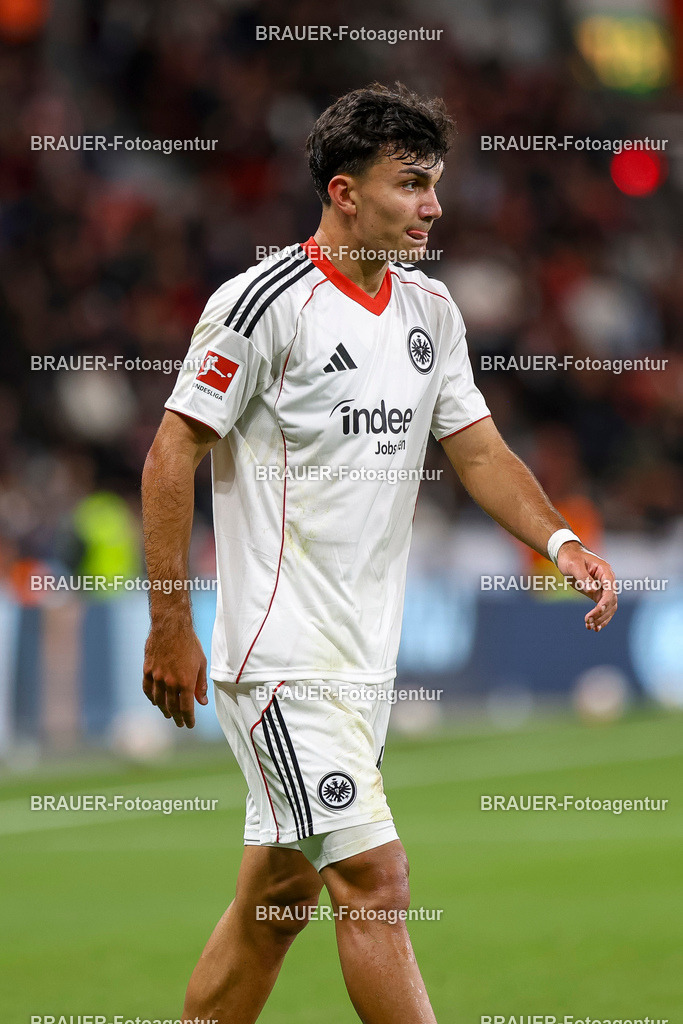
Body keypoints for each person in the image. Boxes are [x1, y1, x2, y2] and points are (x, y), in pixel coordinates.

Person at [141, 83, 618, 1024]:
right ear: (344, 191)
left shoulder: (431, 310)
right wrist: (170, 623)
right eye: (411, 184)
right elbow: (171, 453)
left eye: (435, 184)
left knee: (276, 904)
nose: (433, 206)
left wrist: (558, 537)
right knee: (375, 880)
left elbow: (475, 447)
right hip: (278, 657)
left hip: (361, 662)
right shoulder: (259, 303)